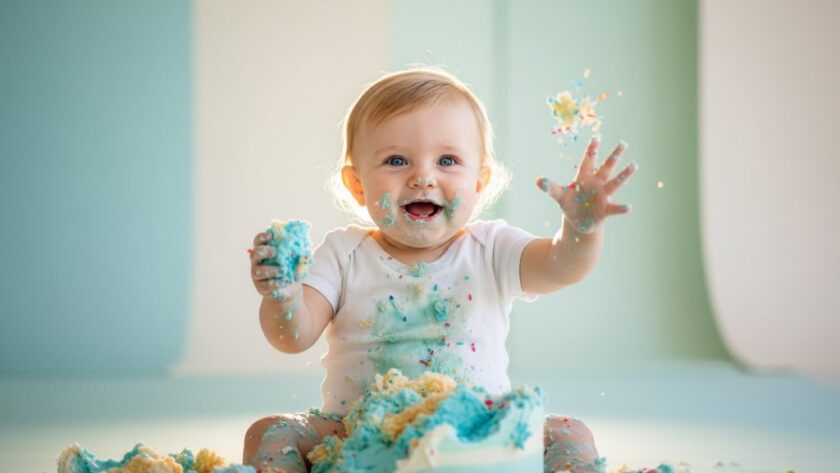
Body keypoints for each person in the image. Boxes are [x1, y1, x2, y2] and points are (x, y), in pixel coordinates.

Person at [244, 67, 636, 473]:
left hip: (479, 430)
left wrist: (580, 230)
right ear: (357, 185)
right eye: (396, 160)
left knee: (570, 432)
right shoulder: (343, 254)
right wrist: (283, 296)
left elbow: (560, 267)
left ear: (479, 182)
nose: (423, 176)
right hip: (360, 433)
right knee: (271, 430)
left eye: (447, 160)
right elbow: (292, 337)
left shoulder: (490, 248)